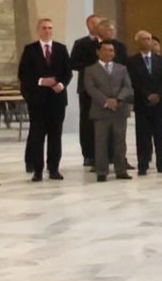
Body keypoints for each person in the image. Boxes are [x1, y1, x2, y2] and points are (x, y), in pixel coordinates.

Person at [17, 18, 72, 181]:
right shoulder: (30, 49)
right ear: (38, 30)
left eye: (49, 28)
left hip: (57, 100)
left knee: (55, 136)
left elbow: (68, 72)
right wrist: (41, 81)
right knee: (37, 136)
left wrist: (61, 84)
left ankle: (53, 168)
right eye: (44, 28)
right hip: (38, 101)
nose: (47, 31)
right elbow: (23, 74)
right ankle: (37, 170)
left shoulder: (61, 49)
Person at [126, 30, 162, 175]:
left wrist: (158, 94)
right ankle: (143, 164)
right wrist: (147, 95)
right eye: (144, 39)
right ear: (137, 42)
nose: (148, 42)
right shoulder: (131, 62)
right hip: (143, 103)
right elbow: (133, 81)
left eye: (149, 39)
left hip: (161, 103)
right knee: (143, 136)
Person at [84, 41, 133, 182]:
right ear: (98, 52)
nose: (109, 53)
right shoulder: (90, 70)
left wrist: (117, 100)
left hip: (119, 110)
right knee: (101, 142)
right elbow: (90, 88)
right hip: (100, 110)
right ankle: (101, 171)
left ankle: (121, 170)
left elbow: (127, 87)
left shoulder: (122, 68)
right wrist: (106, 101)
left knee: (120, 141)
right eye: (105, 50)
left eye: (111, 50)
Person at [69, 14, 103, 168]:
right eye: (94, 23)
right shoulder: (81, 43)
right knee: (87, 122)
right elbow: (73, 63)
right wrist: (92, 67)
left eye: (99, 23)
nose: (96, 26)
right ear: (88, 25)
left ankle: (108, 153)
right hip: (87, 87)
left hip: (106, 88)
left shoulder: (107, 42)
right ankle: (89, 155)